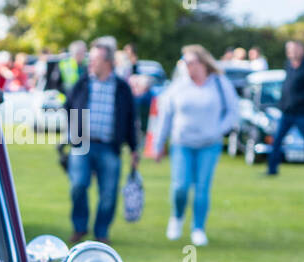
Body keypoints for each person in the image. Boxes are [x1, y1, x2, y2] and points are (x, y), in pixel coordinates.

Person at [154, 45, 238, 245]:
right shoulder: (179, 85)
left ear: (202, 63)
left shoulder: (219, 83)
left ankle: (198, 228)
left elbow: (233, 111)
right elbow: (166, 115)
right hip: (182, 143)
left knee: (202, 188)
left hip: (209, 144)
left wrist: (218, 130)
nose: (187, 67)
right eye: (184, 63)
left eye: (190, 63)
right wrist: (159, 144)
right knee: (180, 186)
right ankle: (177, 217)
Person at [65, 40, 140, 243]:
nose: (90, 63)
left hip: (109, 147)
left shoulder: (122, 87)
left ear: (107, 62)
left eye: (95, 59)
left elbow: (131, 119)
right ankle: (79, 227)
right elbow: (68, 106)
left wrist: (134, 149)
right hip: (82, 145)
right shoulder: (83, 83)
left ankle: (101, 232)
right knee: (78, 186)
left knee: (108, 193)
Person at [267, 39, 304, 176]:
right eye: (289, 50)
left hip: (301, 112)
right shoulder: (288, 65)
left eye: (294, 49)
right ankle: (272, 170)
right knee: (276, 141)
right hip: (287, 112)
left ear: (301, 50)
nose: (291, 53)